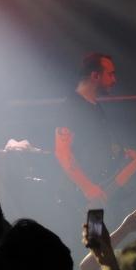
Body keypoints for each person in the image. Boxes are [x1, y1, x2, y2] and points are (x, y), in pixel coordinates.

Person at [54, 52, 119, 204]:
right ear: (95, 76)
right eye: (110, 74)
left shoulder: (95, 106)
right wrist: (87, 187)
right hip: (81, 199)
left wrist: (130, 153)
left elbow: (97, 147)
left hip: (98, 190)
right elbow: (62, 152)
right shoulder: (72, 106)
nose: (114, 80)